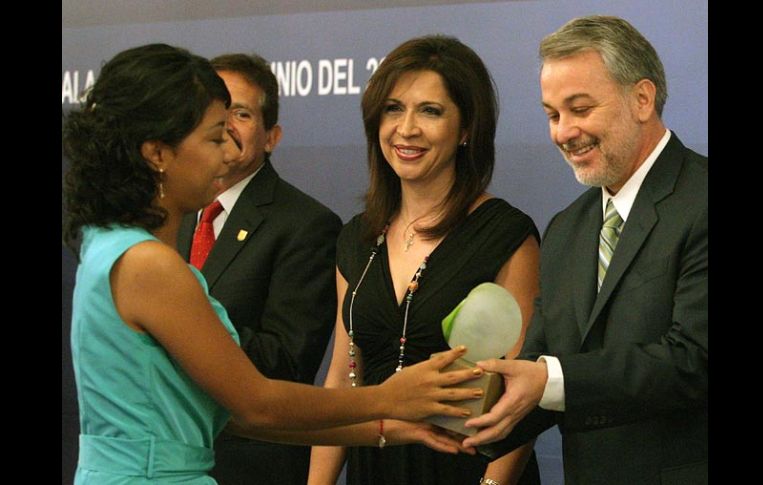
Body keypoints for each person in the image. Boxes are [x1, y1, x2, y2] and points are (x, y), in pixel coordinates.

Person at [62, 43, 486, 485]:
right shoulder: (148, 264)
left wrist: (383, 429)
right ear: (157, 154)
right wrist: (389, 399)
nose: (227, 154)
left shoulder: (108, 242)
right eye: (212, 138)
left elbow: (235, 416)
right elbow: (256, 403)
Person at [463, 15, 708, 485]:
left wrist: (550, 381)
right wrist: (470, 420)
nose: (563, 132)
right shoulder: (566, 229)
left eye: (580, 108)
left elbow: (694, 360)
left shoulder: (701, 199)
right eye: (553, 115)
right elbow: (540, 365)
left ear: (642, 98)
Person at [308, 35, 542, 485]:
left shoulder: (505, 233)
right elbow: (341, 378)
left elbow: (520, 392)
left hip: (468, 469)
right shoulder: (356, 238)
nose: (406, 129)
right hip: (374, 462)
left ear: (467, 128)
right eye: (393, 109)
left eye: (430, 111)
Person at [175, 53, 341, 485]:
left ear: (271, 137)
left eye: (241, 113)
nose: (224, 125)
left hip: (248, 466)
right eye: (214, 112)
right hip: (167, 454)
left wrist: (178, 326)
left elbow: (286, 361)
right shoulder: (172, 212)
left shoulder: (307, 225)